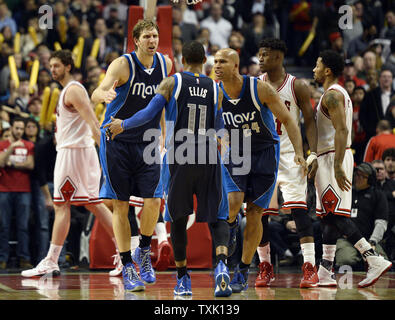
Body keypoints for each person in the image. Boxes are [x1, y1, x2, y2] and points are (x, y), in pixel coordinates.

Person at [104, 40, 232, 297]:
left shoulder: (172, 82)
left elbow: (149, 113)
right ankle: (221, 265)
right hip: (209, 157)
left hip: (180, 157)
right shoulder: (216, 88)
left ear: (183, 60)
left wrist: (123, 125)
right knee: (219, 217)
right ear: (204, 60)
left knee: (178, 219)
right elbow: (221, 126)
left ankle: (183, 280)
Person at [213, 47, 307, 293]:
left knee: (255, 212)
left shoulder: (259, 88)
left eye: (222, 61)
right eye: (215, 61)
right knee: (233, 202)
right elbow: (213, 125)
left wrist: (299, 152)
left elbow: (288, 119)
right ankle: (231, 228)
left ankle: (243, 270)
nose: (217, 65)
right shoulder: (217, 93)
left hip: (266, 151)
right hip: (238, 151)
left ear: (235, 65)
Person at [21, 50, 119, 278]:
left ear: (67, 66)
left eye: (56, 66)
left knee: (63, 205)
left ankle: (51, 260)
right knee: (93, 204)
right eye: (51, 65)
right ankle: (124, 254)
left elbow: (94, 123)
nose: (51, 69)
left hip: (75, 154)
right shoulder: (67, 90)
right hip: (75, 152)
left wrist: (106, 156)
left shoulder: (73, 90)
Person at [91, 19, 172, 291]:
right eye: (147, 36)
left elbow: (161, 105)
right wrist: (104, 94)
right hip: (117, 139)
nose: (152, 40)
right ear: (136, 40)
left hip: (148, 140)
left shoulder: (166, 65)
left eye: (155, 35)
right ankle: (127, 265)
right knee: (121, 204)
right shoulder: (122, 64)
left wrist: (165, 134)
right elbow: (97, 91)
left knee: (154, 200)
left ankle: (144, 251)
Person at [312, 49, 392, 288]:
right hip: (331, 157)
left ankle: (372, 257)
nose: (314, 69)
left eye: (317, 65)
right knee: (327, 217)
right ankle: (325, 270)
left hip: (333, 158)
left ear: (327, 70)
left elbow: (343, 131)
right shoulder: (336, 93)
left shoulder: (332, 96)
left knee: (336, 216)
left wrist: (336, 165)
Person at [256, 38, 319, 288]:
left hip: (292, 155)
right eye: (259, 54)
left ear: (279, 57)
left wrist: (312, 152)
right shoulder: (255, 85)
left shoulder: (297, 86)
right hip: (262, 155)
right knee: (259, 214)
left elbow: (310, 121)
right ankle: (265, 266)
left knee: (300, 211)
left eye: (265, 55)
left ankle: (310, 267)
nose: (260, 59)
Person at [335, 162, 389, 268]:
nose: (357, 178)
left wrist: (373, 241)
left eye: (362, 176)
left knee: (382, 262)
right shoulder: (346, 192)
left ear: (370, 179)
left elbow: (381, 222)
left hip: (369, 239)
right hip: (347, 240)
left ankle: (365, 261)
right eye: (356, 175)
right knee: (346, 260)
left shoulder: (378, 195)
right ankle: (362, 261)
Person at [0, 117, 34, 269]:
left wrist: (12, 164)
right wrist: (12, 147)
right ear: (11, 128)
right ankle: (3, 258)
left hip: (23, 190)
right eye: (17, 128)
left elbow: (30, 164)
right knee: (4, 226)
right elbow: (1, 162)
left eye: (22, 129)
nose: (19, 131)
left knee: (23, 227)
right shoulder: (2, 145)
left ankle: (24, 258)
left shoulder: (29, 145)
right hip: (4, 190)